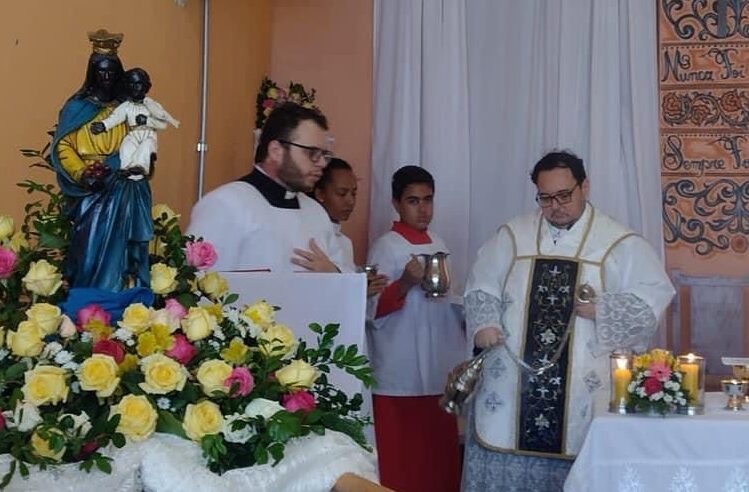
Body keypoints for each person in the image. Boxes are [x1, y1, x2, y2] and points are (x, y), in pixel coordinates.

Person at [461, 151, 675, 492]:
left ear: (584, 187)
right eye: (545, 198)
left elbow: (653, 296)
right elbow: (481, 283)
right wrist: (484, 322)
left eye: (564, 195)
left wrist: (602, 309)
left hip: (581, 386)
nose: (556, 206)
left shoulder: (618, 242)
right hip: (514, 378)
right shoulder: (514, 235)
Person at [366, 166, 464, 492]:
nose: (423, 209)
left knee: (437, 460)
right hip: (399, 371)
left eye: (428, 200)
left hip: (437, 365)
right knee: (403, 462)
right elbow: (371, 310)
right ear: (396, 203)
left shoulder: (440, 242)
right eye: (413, 201)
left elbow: (447, 296)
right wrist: (406, 283)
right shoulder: (386, 246)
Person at [187, 102, 345, 273]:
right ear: (276, 150)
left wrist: (334, 274)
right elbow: (197, 284)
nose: (321, 163)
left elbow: (345, 276)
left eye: (324, 155)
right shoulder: (225, 204)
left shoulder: (316, 213)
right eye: (312, 153)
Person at [51, 29, 153, 292]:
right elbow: (64, 145)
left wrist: (118, 165)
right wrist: (83, 173)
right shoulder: (76, 108)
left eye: (111, 72)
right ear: (92, 73)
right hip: (89, 189)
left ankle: (118, 293)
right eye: (101, 72)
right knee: (87, 245)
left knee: (124, 246)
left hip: (120, 185)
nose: (106, 78)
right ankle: (86, 295)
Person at [313, 157, 388, 294]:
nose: (351, 201)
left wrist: (364, 290)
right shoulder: (311, 237)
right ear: (320, 194)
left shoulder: (345, 243)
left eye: (354, 193)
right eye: (342, 194)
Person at [91, 67, 180, 180]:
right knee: (127, 145)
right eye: (131, 84)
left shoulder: (152, 106)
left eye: (138, 84)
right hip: (133, 134)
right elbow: (115, 118)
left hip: (148, 135)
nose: (135, 88)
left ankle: (140, 167)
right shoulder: (126, 106)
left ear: (147, 87)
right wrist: (103, 125)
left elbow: (163, 124)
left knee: (146, 146)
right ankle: (127, 169)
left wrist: (147, 121)